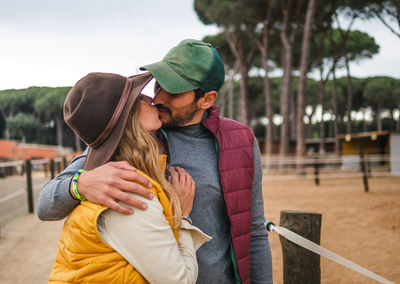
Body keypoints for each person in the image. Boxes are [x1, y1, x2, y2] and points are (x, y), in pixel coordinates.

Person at [37, 39, 273, 284]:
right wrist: (80, 183)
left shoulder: (241, 140)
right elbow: (45, 204)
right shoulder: (131, 138)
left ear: (207, 99)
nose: (158, 98)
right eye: (159, 84)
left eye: (174, 91)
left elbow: (254, 231)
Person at [47, 72, 210, 283]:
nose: (151, 100)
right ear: (128, 118)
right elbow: (180, 280)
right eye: (140, 98)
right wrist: (184, 218)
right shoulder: (127, 191)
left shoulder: (111, 178)